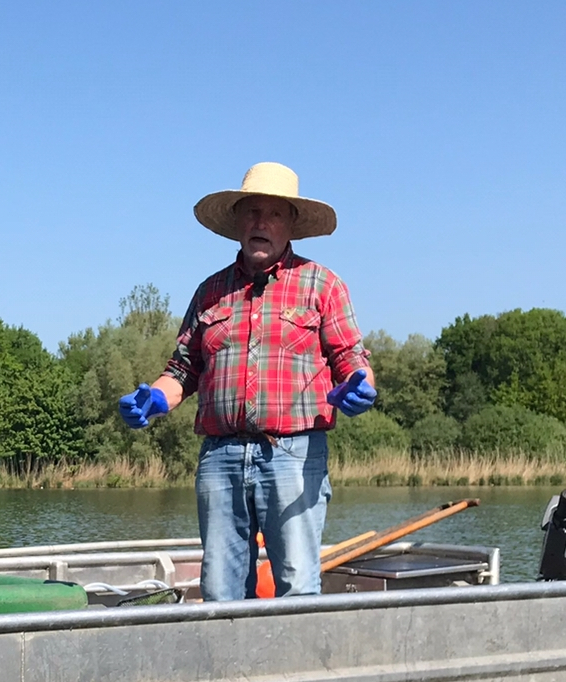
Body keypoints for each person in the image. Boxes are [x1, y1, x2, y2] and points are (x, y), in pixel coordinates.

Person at [117, 162, 376, 601]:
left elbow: (351, 357)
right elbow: (182, 370)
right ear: (238, 221)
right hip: (219, 458)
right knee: (219, 591)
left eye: (274, 213)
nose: (262, 222)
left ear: (291, 224)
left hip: (294, 456)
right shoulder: (210, 292)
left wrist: (360, 384)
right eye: (252, 212)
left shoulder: (323, 285)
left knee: (297, 586)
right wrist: (156, 398)